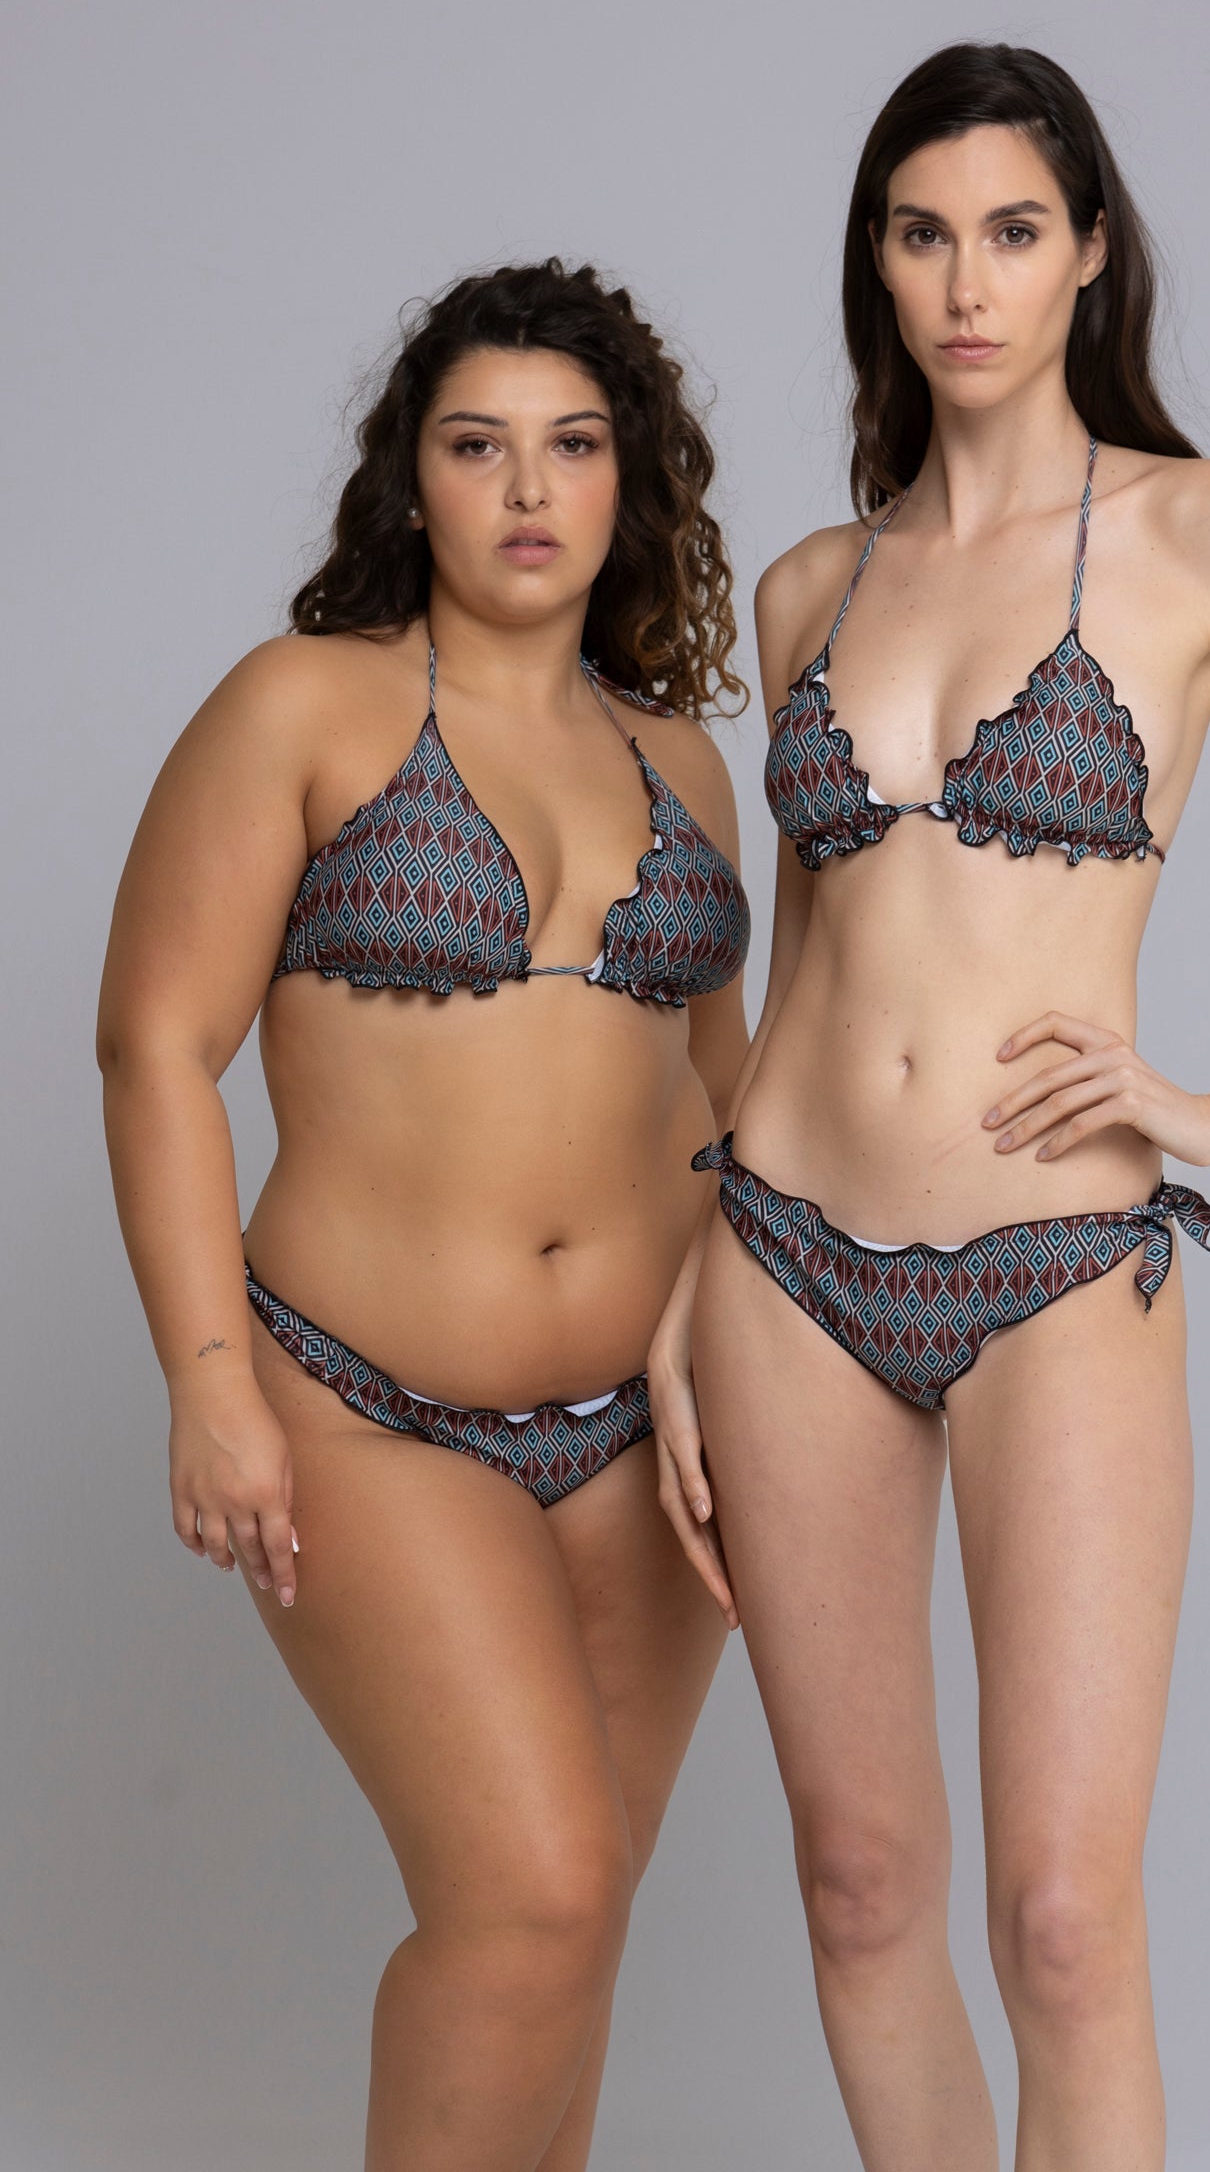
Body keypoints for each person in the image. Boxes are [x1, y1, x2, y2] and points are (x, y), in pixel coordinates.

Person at [652, 46, 1210, 2172]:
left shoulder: (1201, 529)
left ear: (1088, 256)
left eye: (1011, 232)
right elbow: (796, 970)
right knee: (858, 1885)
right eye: (920, 234)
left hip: (1057, 1263)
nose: (966, 283)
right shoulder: (809, 584)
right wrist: (693, 1276)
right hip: (781, 1266)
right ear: (874, 263)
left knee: (1060, 1920)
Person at [98, 259, 750, 2172]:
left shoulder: (680, 759)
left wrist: (780, 1364)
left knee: (575, 1933)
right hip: (364, 1405)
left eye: (574, 445)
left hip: (649, 1427)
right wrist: (207, 1379)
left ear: (632, 481)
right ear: (413, 479)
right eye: (478, 446)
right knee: (533, 1898)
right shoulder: (304, 702)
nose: (528, 489)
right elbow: (154, 1047)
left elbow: (725, 1092)